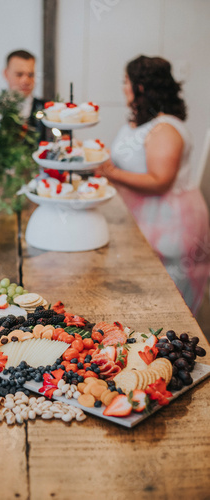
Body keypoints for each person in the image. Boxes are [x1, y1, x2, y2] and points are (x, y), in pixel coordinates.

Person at [96, 55, 210, 314]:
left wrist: (109, 172)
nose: (123, 87)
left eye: (127, 82)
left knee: (165, 301)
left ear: (142, 87)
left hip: (170, 223)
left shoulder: (165, 129)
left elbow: (160, 182)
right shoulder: (142, 123)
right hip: (144, 219)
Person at [4, 49, 45, 139]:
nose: (25, 81)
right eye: (19, 74)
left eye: (30, 75)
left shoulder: (48, 109)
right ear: (6, 74)